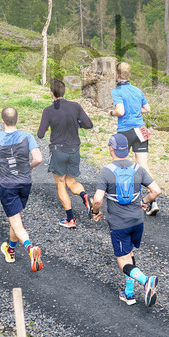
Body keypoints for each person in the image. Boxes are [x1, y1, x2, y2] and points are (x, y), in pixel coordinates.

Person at [91, 133, 162, 306]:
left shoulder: (107, 171)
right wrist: (143, 202)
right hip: (137, 222)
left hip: (119, 224)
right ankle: (129, 293)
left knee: (123, 261)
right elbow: (156, 191)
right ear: (128, 150)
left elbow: (98, 199)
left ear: (111, 149)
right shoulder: (138, 169)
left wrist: (95, 212)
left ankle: (146, 281)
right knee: (129, 254)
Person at [0, 107, 44, 271]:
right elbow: (38, 159)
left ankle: (30, 249)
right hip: (25, 183)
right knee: (15, 216)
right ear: (17, 120)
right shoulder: (27, 136)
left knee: (17, 223)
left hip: (8, 185)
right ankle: (10, 250)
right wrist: (26, 167)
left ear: (2, 121)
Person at [37, 78, 94, 229]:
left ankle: (70, 219)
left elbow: (40, 134)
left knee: (61, 184)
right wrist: (77, 122)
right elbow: (88, 124)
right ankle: (84, 196)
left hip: (58, 150)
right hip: (74, 149)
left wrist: (49, 125)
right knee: (72, 183)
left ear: (51, 94)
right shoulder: (75, 106)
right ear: (64, 92)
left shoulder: (48, 110)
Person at [108, 61, 155, 211]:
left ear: (117, 75)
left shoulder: (117, 91)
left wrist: (111, 113)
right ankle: (152, 199)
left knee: (120, 162)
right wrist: (134, 110)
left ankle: (123, 195)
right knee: (143, 165)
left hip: (126, 130)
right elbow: (147, 109)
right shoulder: (137, 90)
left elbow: (120, 111)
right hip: (141, 129)